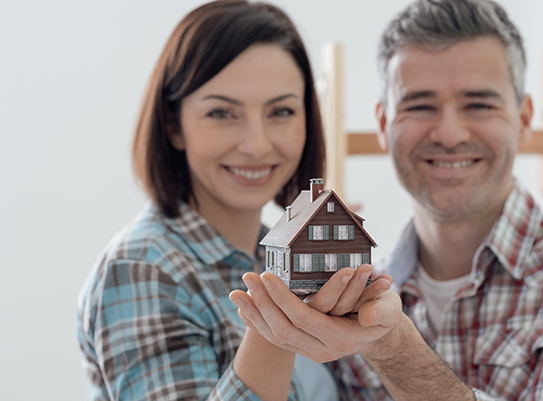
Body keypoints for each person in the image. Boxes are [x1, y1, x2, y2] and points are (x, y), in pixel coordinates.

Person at [233, 0, 543, 400]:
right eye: (420, 105)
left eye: (479, 104)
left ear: (525, 119)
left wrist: (394, 349)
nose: (449, 133)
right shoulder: (347, 296)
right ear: (383, 125)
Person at [76, 1, 395, 400]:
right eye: (223, 114)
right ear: (174, 126)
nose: (257, 145)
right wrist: (277, 326)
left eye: (280, 111)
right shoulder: (143, 268)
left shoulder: (280, 249)